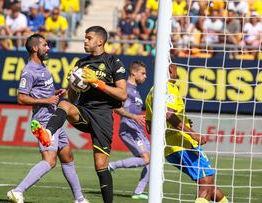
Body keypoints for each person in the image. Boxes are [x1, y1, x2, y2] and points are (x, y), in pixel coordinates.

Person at [31, 26, 127, 203]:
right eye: (84, 37)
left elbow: (122, 94)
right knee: (65, 104)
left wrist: (98, 83)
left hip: (103, 116)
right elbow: (73, 97)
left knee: (101, 165)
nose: (85, 41)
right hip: (84, 111)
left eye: (88, 38)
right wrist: (73, 85)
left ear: (100, 41)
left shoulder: (114, 62)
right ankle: (48, 133)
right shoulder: (80, 64)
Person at [6, 34, 89, 203]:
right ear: (35, 48)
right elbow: (21, 98)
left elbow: (43, 94)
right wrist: (46, 100)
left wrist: (55, 94)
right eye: (45, 45)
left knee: (67, 157)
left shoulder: (43, 67)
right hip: (43, 121)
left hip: (54, 119)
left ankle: (79, 199)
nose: (48, 48)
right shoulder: (28, 71)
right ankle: (17, 191)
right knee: (50, 161)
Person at [145, 64, 229, 203]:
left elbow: (149, 127)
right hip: (183, 144)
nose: (178, 73)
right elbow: (169, 114)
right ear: (171, 70)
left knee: (208, 184)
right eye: (177, 69)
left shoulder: (152, 91)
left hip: (169, 149)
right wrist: (192, 133)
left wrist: (181, 122)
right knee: (206, 182)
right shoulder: (169, 87)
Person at [108, 61, 150, 200]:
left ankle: (138, 192)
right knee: (146, 159)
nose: (145, 76)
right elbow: (116, 108)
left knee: (153, 162)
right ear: (133, 73)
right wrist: (133, 117)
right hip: (128, 128)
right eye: (143, 73)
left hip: (138, 130)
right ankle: (112, 166)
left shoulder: (136, 91)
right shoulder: (124, 88)